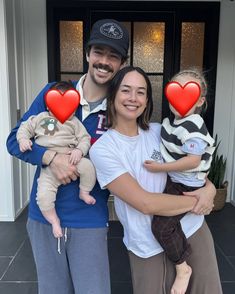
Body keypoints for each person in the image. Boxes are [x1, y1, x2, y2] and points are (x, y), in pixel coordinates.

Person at [6, 19, 130, 294]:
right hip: (43, 216)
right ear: (87, 53)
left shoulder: (120, 107)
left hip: (89, 218)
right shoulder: (54, 94)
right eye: (99, 52)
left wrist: (200, 183)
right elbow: (14, 140)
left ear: (122, 63)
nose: (104, 61)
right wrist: (51, 158)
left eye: (113, 56)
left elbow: (142, 149)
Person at [89, 66, 222, 294]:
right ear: (112, 95)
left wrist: (209, 189)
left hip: (192, 230)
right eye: (126, 90)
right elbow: (145, 203)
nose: (133, 98)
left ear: (148, 99)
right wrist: (199, 201)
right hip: (147, 244)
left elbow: (194, 169)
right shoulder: (103, 149)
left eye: (141, 92)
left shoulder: (159, 132)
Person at [143, 69, 215, 294]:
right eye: (175, 92)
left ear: (200, 100)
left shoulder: (193, 125)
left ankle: (183, 268)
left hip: (186, 184)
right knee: (167, 223)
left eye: (188, 93)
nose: (179, 99)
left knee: (161, 227)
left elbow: (192, 161)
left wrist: (160, 168)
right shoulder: (170, 123)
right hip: (177, 182)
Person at [16, 81, 97, 240]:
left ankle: (84, 191)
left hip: (71, 157)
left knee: (88, 167)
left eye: (71, 107)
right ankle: (54, 221)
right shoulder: (41, 118)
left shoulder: (74, 123)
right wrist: (23, 140)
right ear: (48, 106)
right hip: (48, 166)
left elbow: (85, 138)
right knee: (43, 196)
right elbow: (24, 128)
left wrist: (79, 150)